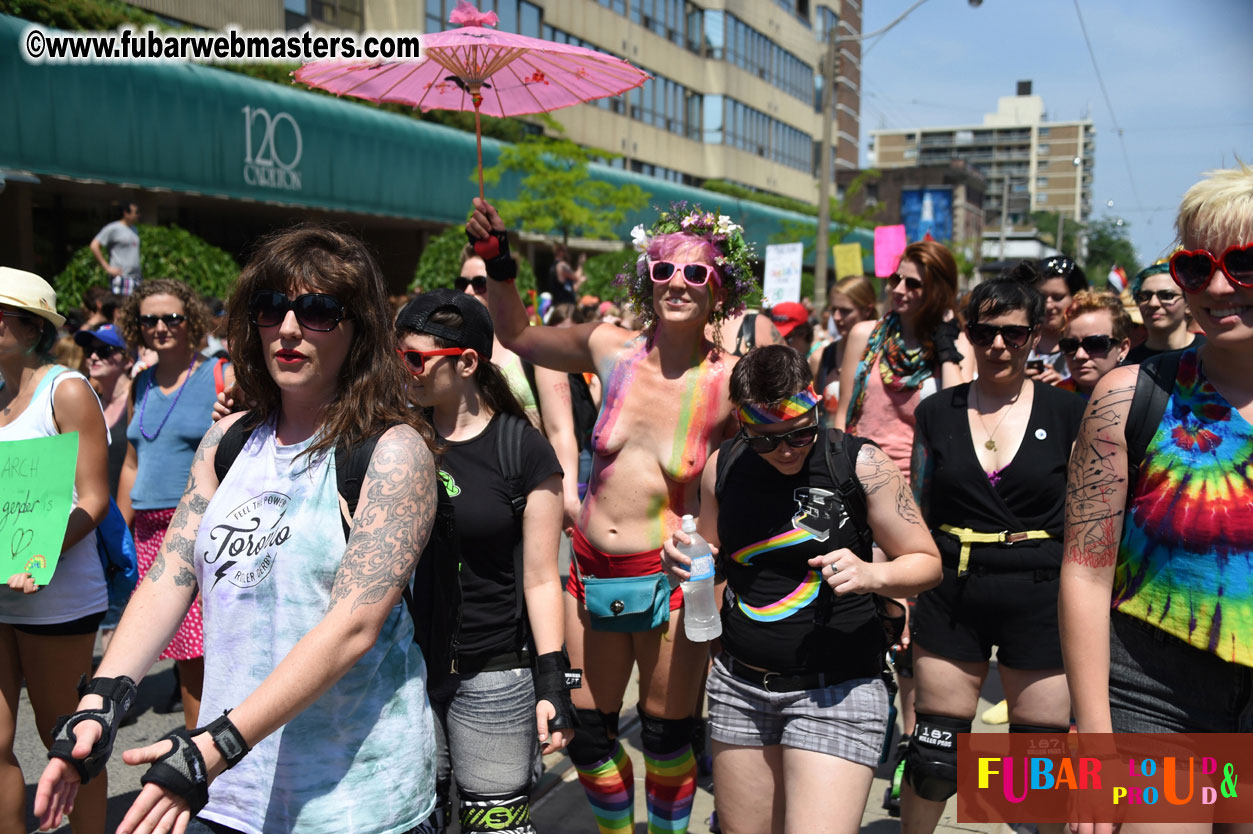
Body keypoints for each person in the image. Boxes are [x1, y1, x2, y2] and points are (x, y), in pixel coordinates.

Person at [35, 225, 440, 834]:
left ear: (360, 329)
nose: (289, 328)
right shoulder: (226, 441)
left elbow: (353, 628)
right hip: (227, 791)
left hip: (352, 800)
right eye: (271, 307)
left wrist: (216, 744)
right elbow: (170, 576)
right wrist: (100, 701)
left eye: (319, 311)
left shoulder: (392, 451)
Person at [472, 199, 756, 834]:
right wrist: (499, 261)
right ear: (645, 280)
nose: (677, 284)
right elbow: (517, 336)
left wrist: (723, 562)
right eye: (663, 271)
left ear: (719, 290)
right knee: (586, 736)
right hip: (588, 573)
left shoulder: (728, 383)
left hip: (670, 584)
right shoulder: (609, 349)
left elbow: (764, 470)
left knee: (665, 740)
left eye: (696, 273)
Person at [659, 344, 939, 834]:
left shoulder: (859, 463)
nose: (785, 450)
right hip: (740, 688)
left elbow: (928, 563)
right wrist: (681, 560)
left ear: (815, 409)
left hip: (838, 691)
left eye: (799, 434)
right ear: (743, 426)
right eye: (766, 441)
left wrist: (872, 574)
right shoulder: (724, 465)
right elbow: (712, 554)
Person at [1060, 166, 1253, 834]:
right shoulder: (1128, 396)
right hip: (1155, 695)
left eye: (1243, 263)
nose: (1218, 287)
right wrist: (1093, 743)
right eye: (1196, 268)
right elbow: (1085, 572)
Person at [902, 277, 1086, 834]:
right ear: (969, 335)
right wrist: (905, 595)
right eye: (985, 333)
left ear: (1035, 335)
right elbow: (916, 508)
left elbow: (1089, 517)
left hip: (1041, 592)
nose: (999, 345)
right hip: (953, 589)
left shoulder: (1068, 412)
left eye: (1013, 333)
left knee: (1040, 764)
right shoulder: (936, 412)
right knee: (934, 759)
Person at [397, 289, 574, 833]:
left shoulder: (523, 450)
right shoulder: (397, 437)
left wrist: (553, 682)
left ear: (468, 362)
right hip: (404, 673)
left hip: (495, 676)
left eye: (415, 358)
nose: (403, 369)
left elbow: (541, 578)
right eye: (397, 356)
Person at [0, 270, 111, 834]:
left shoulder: (64, 390)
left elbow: (94, 497)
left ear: (32, 327)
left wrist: (41, 555)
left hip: (57, 598)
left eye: (0, 314)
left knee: (66, 743)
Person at [117, 279, 232, 728]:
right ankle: (199, 743)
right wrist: (118, 530)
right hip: (146, 530)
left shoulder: (220, 374)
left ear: (191, 320)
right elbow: (132, 462)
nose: (160, 327)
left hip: (199, 528)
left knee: (205, 650)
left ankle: (202, 746)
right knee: (184, 651)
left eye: (172, 317)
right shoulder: (140, 383)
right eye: (149, 319)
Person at [835, 240, 973, 482]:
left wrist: (945, 344)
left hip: (923, 485)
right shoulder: (863, 335)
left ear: (937, 291)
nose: (898, 290)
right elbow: (842, 413)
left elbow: (958, 413)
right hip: (860, 477)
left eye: (913, 284)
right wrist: (836, 470)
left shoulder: (959, 345)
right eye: (895, 279)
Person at [533, 303, 601, 529]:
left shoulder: (588, 367)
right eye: (557, 332)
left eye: (570, 332)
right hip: (555, 447)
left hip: (584, 445)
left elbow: (594, 408)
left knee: (580, 505)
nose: (562, 340)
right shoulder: (543, 362)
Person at [459, 246, 542, 428]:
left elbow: (560, 432)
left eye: (479, 283)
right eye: (462, 283)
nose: (468, 291)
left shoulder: (535, 340)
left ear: (503, 284)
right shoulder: (455, 343)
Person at [814, 275, 879, 422]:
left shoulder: (882, 353)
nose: (836, 317)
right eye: (833, 309)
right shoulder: (823, 356)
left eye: (845, 311)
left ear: (867, 310)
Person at [1021, 255, 1089, 385]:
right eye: (1041, 297)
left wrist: (1064, 387)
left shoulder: (1092, 345)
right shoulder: (1018, 338)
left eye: (1058, 297)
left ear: (1078, 298)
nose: (1048, 305)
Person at [1122, 259, 1206, 364]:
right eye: (1145, 296)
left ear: (1188, 304)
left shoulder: (1212, 354)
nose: (1153, 303)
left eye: (1167, 296)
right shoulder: (1127, 364)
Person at [1057, 290, 1132, 400]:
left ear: (1122, 349)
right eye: (1069, 345)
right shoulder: (1052, 398)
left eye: (1094, 344)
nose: (1079, 355)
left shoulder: (1143, 397)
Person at [90, 202, 142, 296]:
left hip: (136, 278)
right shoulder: (113, 228)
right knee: (121, 304)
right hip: (121, 278)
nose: (138, 215)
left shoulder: (134, 229)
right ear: (126, 213)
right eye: (136, 212)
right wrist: (107, 268)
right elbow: (94, 245)